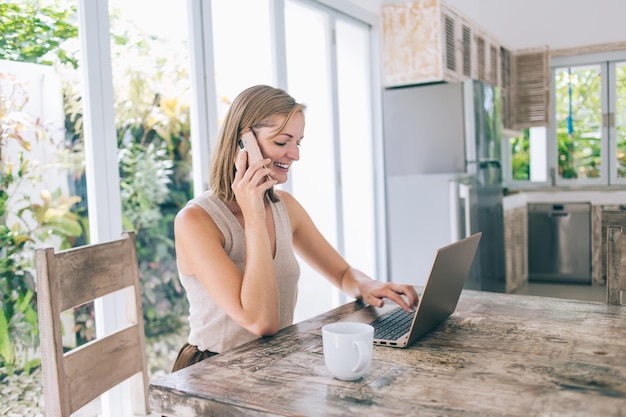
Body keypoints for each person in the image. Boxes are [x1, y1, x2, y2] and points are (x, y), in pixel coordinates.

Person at [171, 85, 419, 372]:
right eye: (282, 142)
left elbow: (342, 273)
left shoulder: (283, 206)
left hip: (271, 363)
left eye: (298, 142)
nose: (295, 155)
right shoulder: (195, 221)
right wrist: (252, 215)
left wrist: (367, 285)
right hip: (213, 369)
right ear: (243, 144)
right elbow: (261, 322)